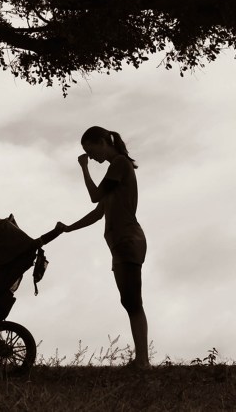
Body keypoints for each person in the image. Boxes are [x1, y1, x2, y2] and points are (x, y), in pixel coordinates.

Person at [55, 126, 150, 369]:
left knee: (133, 301)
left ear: (101, 142)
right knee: (128, 301)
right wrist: (69, 228)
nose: (92, 157)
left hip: (128, 240)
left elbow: (95, 196)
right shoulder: (114, 172)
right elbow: (99, 212)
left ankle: (143, 361)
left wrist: (84, 169)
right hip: (118, 243)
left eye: (91, 150)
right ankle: (141, 360)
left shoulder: (118, 163)